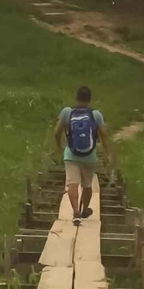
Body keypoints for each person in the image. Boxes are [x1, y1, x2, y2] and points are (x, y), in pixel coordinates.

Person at [53, 85, 115, 221]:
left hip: (70, 155)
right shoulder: (96, 115)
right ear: (90, 99)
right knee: (87, 185)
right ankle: (84, 209)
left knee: (72, 183)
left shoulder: (67, 112)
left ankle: (75, 212)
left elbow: (56, 132)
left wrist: (59, 148)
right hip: (89, 156)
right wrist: (107, 154)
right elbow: (104, 135)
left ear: (76, 98)